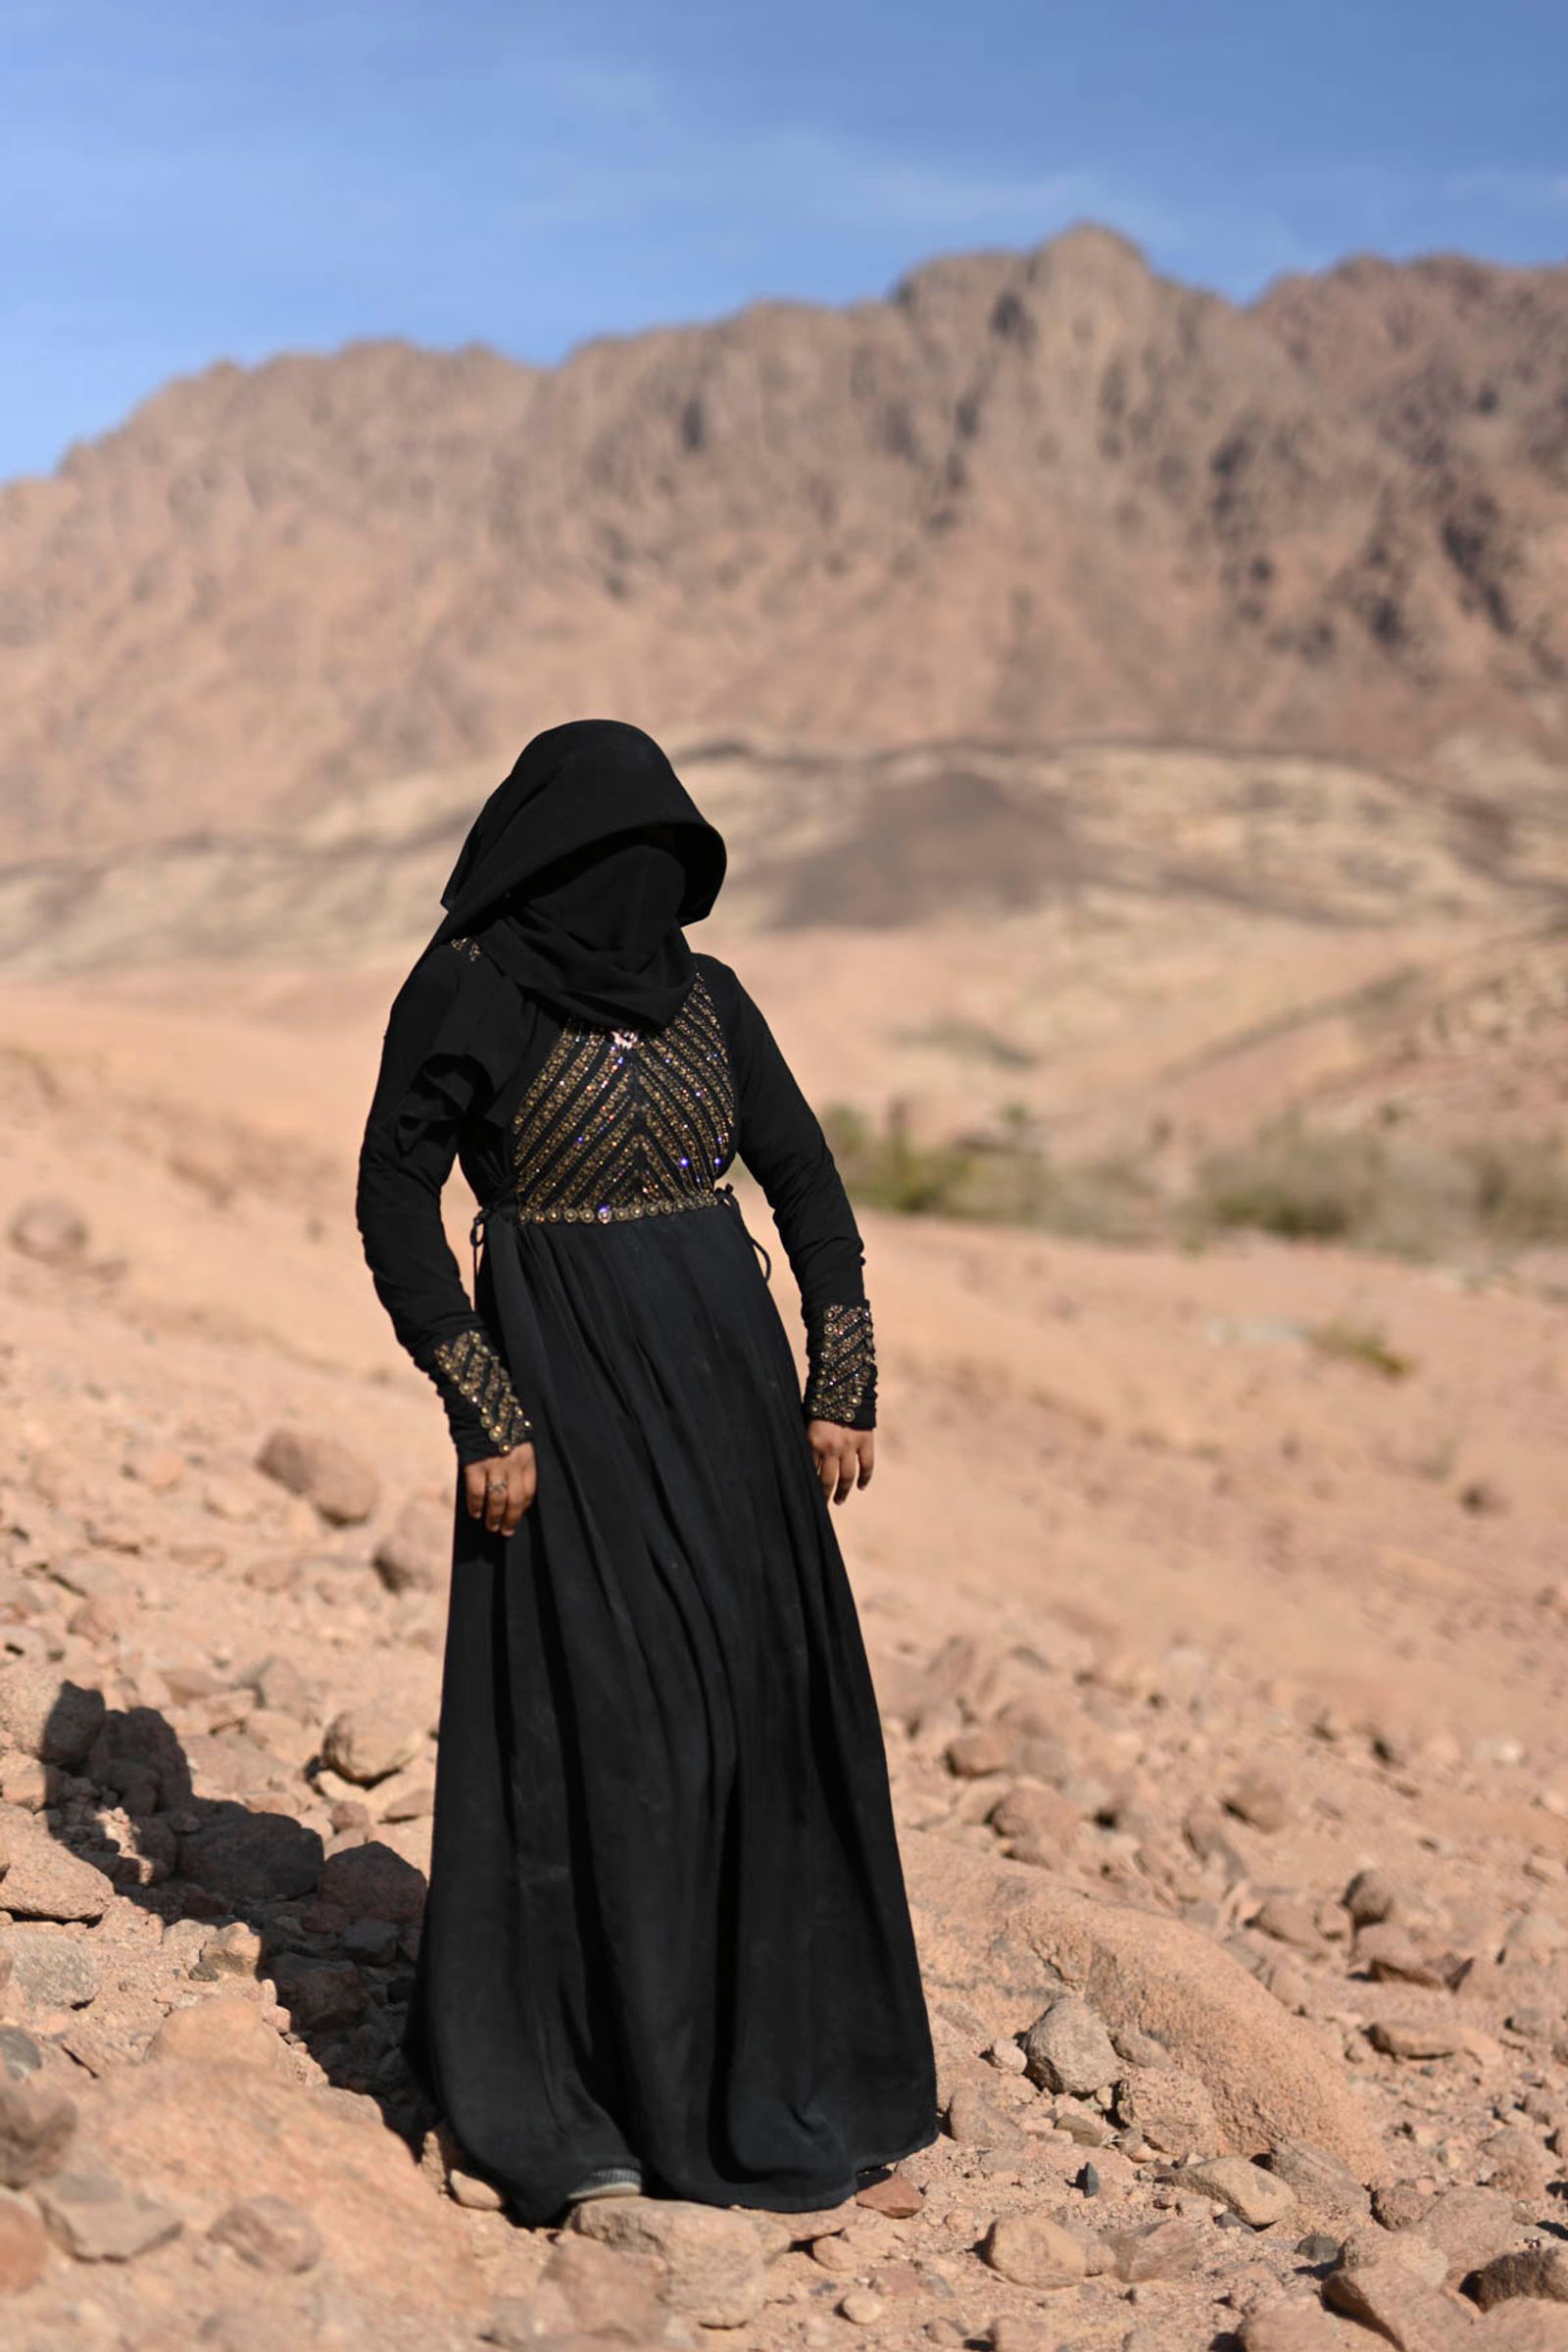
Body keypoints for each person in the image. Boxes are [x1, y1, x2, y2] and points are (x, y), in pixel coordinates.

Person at [353, 716, 939, 2227]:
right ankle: (590, 2082)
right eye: (621, 858)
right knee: (606, 1723)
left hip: (732, 1399)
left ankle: (778, 2071)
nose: (643, 888)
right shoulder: (468, 994)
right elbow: (394, 1202)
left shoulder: (712, 1001)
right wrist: (484, 1407)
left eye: (662, 860)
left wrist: (843, 1380)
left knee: (750, 1717)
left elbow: (806, 1184)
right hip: (561, 1399)